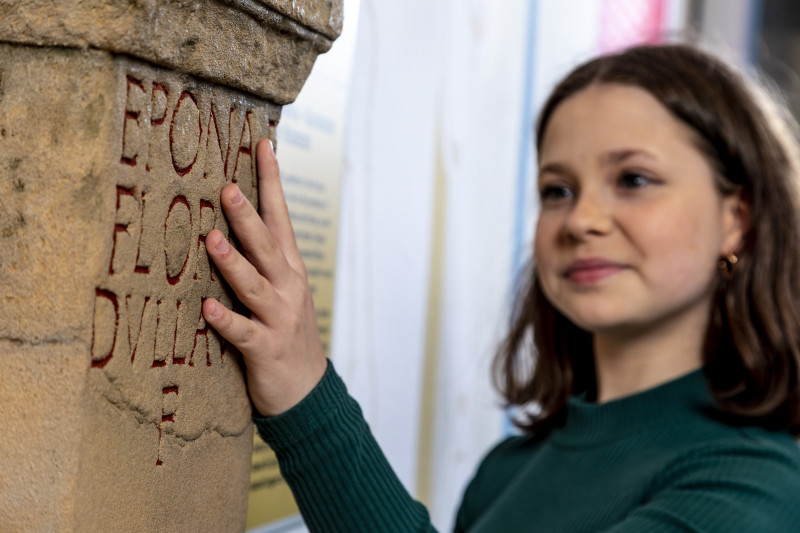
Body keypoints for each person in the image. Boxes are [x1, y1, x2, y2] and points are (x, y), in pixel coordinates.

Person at [201, 43, 800, 532]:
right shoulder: (506, 472)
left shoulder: (757, 482)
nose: (583, 220)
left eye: (633, 179)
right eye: (557, 190)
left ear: (736, 218)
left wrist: (306, 391)